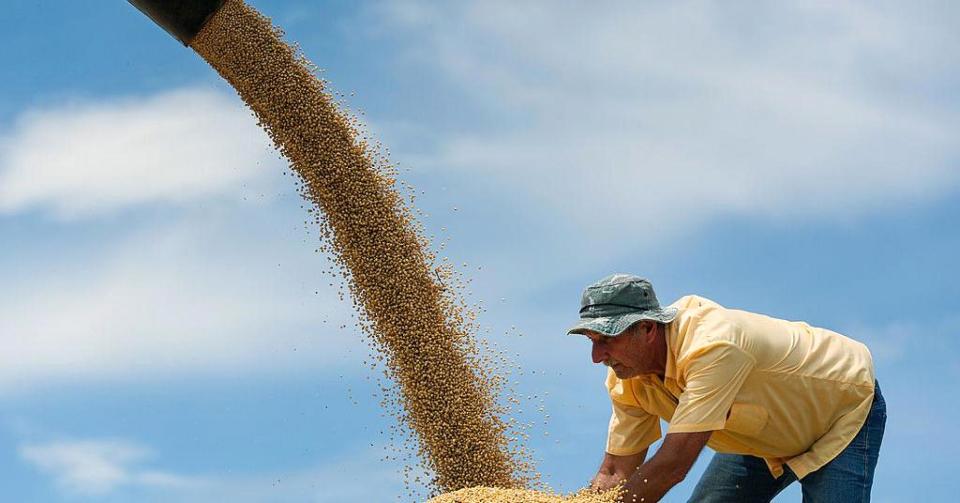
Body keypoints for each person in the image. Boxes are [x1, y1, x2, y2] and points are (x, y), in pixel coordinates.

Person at [568, 274, 885, 502]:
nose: (597, 357)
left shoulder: (712, 346)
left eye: (608, 340)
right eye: (593, 342)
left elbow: (672, 465)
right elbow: (614, 473)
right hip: (763, 437)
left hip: (840, 409)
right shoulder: (628, 378)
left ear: (648, 328)